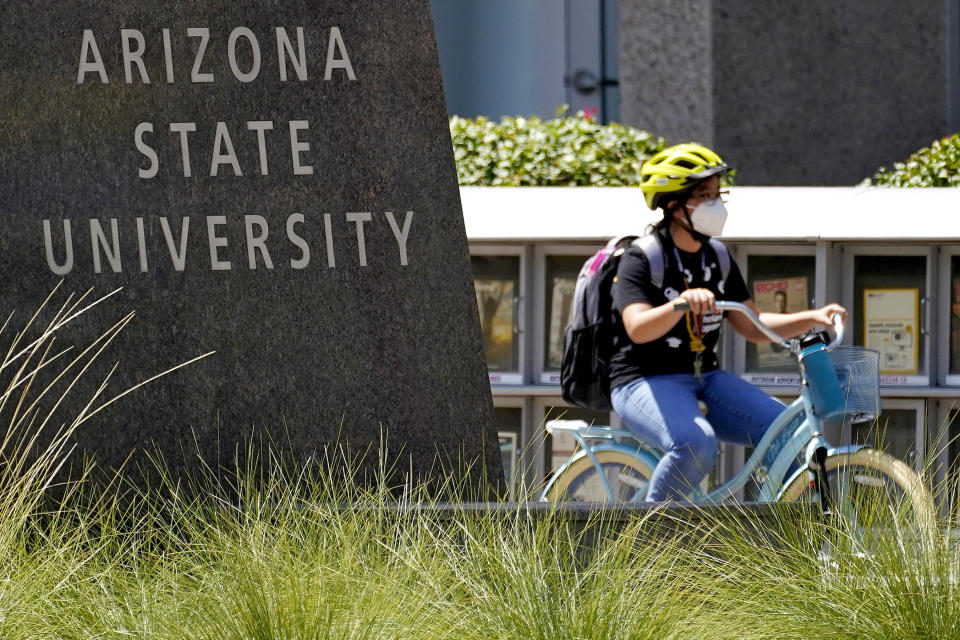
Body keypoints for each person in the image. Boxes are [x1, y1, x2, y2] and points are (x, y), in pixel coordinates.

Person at [609, 143, 847, 501]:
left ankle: (778, 530)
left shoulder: (717, 257)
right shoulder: (643, 258)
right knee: (694, 443)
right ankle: (648, 541)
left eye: (718, 194)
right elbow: (637, 328)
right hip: (642, 380)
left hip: (705, 376)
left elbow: (753, 324)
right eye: (704, 195)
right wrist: (679, 305)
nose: (715, 203)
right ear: (674, 206)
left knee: (786, 429)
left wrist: (812, 316)